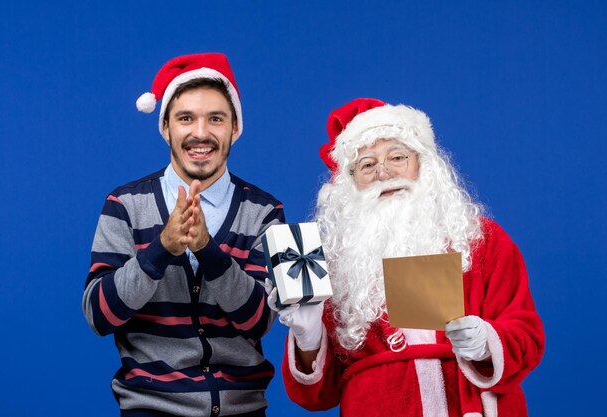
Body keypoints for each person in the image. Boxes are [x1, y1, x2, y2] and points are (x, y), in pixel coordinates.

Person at [270, 98, 545, 417]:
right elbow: (317, 397)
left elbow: (527, 333)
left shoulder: (480, 238)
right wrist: (308, 335)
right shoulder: (333, 263)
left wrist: (486, 343)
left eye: (397, 157)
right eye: (367, 164)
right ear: (350, 183)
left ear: (424, 164)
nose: (384, 172)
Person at [83, 53, 285, 417]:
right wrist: (160, 249)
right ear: (166, 128)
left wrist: (208, 249)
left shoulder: (265, 212)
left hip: (243, 409)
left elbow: (258, 320)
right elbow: (100, 315)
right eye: (186, 118)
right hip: (151, 408)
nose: (201, 133)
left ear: (235, 129)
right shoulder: (125, 205)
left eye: (216, 119)